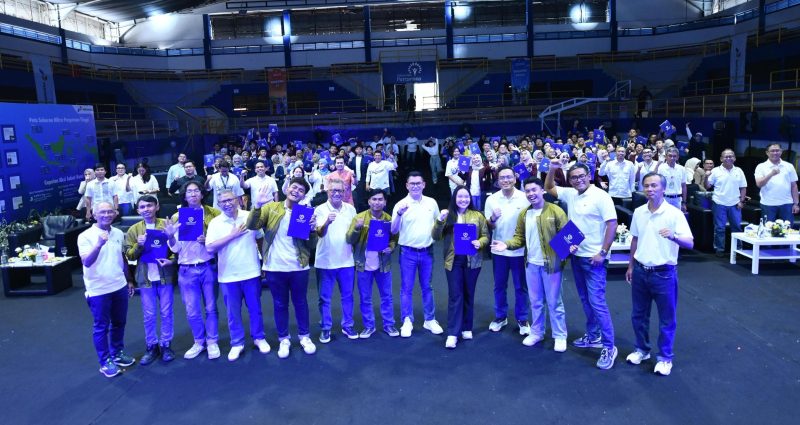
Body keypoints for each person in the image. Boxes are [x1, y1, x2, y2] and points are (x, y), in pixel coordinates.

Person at [545, 159, 619, 370]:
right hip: (577, 256)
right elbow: (549, 187)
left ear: (589, 176)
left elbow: (612, 224)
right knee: (586, 300)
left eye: (581, 176)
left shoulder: (600, 196)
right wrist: (552, 168)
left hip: (595, 259)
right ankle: (593, 335)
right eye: (573, 177)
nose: (577, 180)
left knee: (597, 303)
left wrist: (602, 252)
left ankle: (609, 346)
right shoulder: (571, 193)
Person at [625, 173, 694, 376]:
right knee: (638, 315)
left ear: (663, 188)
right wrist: (630, 266)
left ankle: (665, 358)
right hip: (640, 271)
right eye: (646, 186)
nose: (650, 189)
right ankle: (642, 350)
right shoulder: (638, 212)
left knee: (667, 319)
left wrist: (673, 236)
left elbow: (690, 243)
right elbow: (635, 240)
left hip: (664, 273)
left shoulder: (674, 214)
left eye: (654, 185)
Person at [491, 177, 570, 352]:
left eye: (534, 190)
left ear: (542, 190)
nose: (531, 194)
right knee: (535, 301)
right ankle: (537, 332)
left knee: (554, 302)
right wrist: (507, 244)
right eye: (527, 191)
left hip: (551, 265)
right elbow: (519, 238)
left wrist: (565, 254)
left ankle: (560, 335)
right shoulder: (525, 214)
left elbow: (567, 235)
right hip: (531, 264)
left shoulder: (556, 211)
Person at [247, 178, 318, 359]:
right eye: (294, 187)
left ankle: (304, 336)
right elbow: (252, 225)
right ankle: (284, 339)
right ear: (287, 188)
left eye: (301, 190)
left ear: (304, 195)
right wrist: (256, 205)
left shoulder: (305, 213)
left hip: (298, 266)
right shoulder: (271, 208)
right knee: (279, 304)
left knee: (301, 302)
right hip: (274, 266)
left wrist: (312, 230)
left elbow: (311, 245)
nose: (296, 191)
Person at [206, 189, 270, 361]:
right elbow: (210, 248)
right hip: (227, 275)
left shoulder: (250, 216)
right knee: (233, 312)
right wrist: (231, 235)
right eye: (223, 202)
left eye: (230, 200)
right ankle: (237, 343)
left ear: (239, 200)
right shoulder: (215, 223)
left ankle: (259, 338)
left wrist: (264, 261)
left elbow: (260, 239)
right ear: (218, 204)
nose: (227, 204)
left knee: (255, 309)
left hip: (251, 272)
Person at [164, 182, 222, 360]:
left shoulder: (213, 213)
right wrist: (170, 237)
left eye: (196, 190)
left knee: (211, 307)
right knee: (192, 310)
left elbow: (221, 239)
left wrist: (209, 240)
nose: (193, 194)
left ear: (202, 194)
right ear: (185, 195)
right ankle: (199, 341)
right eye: (189, 191)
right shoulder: (176, 216)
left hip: (208, 266)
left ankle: (212, 341)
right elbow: (175, 249)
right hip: (186, 269)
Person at [77, 202, 135, 378]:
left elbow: (122, 258)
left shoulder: (118, 233)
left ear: (115, 213)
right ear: (94, 214)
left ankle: (117, 352)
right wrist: (99, 244)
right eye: (102, 212)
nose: (107, 214)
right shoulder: (85, 236)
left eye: (110, 211)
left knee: (119, 322)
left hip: (119, 285)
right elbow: (86, 262)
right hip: (98, 289)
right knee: (101, 326)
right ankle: (105, 361)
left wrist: (129, 280)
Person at [432, 186, 489, 349]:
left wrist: (481, 242)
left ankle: (466, 327)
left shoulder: (477, 215)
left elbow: (485, 235)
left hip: (473, 261)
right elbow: (435, 236)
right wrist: (439, 220)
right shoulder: (448, 215)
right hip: (453, 261)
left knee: (469, 294)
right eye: (460, 197)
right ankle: (452, 333)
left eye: (466, 197)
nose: (463, 199)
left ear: (470, 198)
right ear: (454, 198)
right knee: (455, 295)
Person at [124, 195, 177, 365]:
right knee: (149, 314)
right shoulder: (134, 230)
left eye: (149, 205)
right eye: (142, 207)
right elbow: (129, 255)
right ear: (138, 210)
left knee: (167, 312)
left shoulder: (166, 225)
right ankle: (151, 345)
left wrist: (172, 260)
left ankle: (166, 344)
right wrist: (138, 245)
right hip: (144, 276)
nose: (146, 209)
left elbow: (178, 250)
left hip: (165, 276)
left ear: (157, 206)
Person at [391, 171, 444, 337]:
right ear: (407, 186)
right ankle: (407, 320)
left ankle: (430, 319)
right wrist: (399, 214)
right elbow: (393, 230)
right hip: (407, 252)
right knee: (406, 288)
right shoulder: (400, 205)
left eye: (418, 183)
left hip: (427, 252)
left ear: (423, 185)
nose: (415, 186)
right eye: (411, 183)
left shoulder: (431, 203)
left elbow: (438, 225)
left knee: (427, 287)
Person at [483, 166, 530, 335]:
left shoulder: (525, 198)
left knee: (520, 287)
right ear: (498, 180)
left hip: (519, 250)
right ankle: (500, 316)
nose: (506, 180)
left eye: (509, 177)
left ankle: (522, 318)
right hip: (498, 250)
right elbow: (488, 225)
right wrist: (493, 219)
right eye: (502, 178)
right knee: (499, 286)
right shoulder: (492, 199)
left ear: (515, 178)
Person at [347, 189, 399, 337]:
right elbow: (349, 240)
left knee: (387, 296)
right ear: (369, 201)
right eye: (374, 199)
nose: (377, 202)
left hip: (383, 264)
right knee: (365, 298)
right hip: (363, 264)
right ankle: (369, 326)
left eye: (380, 199)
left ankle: (389, 324)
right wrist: (357, 228)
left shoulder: (389, 219)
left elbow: (395, 239)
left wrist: (391, 248)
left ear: (385, 202)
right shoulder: (359, 218)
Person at [313, 178, 358, 343]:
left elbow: (353, 234)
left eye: (340, 190)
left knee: (348, 296)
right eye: (333, 190)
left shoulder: (351, 209)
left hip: (346, 260)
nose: (337, 193)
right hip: (325, 261)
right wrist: (327, 222)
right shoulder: (319, 210)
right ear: (327, 191)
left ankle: (348, 325)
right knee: (324, 298)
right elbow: (319, 233)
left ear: (345, 192)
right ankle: (326, 328)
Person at [704, 149, 747, 257]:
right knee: (719, 228)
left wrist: (742, 201)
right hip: (719, 202)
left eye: (731, 156)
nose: (728, 158)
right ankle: (719, 249)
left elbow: (743, 187)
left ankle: (738, 248)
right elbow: (707, 186)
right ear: (721, 159)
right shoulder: (715, 171)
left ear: (735, 158)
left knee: (737, 227)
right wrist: (706, 177)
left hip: (735, 203)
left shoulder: (739, 171)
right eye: (726, 156)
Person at [754, 143, 799, 224]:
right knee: (767, 230)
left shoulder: (789, 166)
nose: (775, 153)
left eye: (777, 150)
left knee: (788, 230)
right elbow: (759, 184)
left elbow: (794, 186)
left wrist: (796, 204)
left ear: (781, 152)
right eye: (772, 151)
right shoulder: (761, 166)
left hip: (787, 203)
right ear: (767, 153)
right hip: (768, 204)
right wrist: (771, 174)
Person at [655, 148, 687, 212]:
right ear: (666, 157)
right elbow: (656, 184)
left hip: (677, 199)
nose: (672, 158)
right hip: (664, 198)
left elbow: (684, 186)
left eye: (674, 156)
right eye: (670, 156)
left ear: (677, 157)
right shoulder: (661, 168)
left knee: (676, 220)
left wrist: (684, 203)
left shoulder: (682, 169)